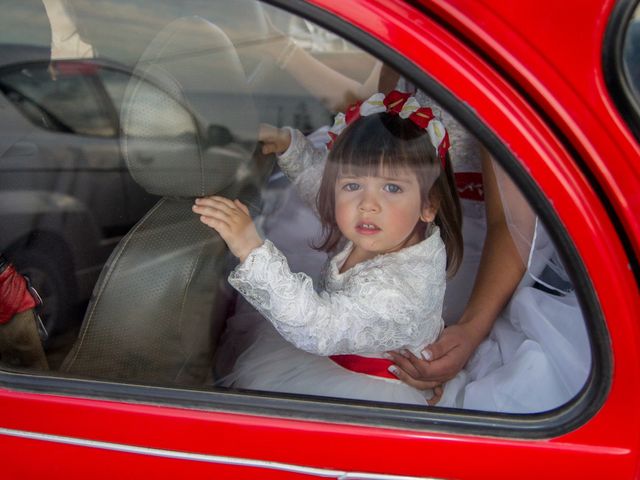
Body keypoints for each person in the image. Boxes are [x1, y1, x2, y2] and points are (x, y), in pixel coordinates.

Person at [193, 91, 463, 404]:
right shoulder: (391, 229)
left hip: (366, 394)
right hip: (338, 353)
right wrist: (290, 147)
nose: (367, 204)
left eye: (391, 188)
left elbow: (317, 328)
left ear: (428, 205)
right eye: (353, 185)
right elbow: (325, 189)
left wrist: (251, 249)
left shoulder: (397, 291)